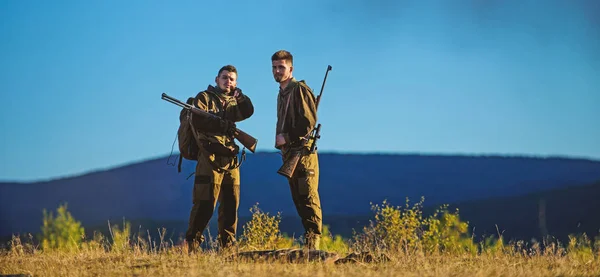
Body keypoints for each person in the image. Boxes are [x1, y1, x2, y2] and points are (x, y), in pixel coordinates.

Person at [185, 64, 254, 253]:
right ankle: (192, 244)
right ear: (217, 79)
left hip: (230, 159)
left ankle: (227, 247)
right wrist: (222, 125)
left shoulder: (234, 102)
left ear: (236, 83)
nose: (227, 81)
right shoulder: (204, 98)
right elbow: (198, 119)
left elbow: (248, 111)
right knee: (205, 203)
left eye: (231, 79)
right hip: (210, 157)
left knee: (231, 204)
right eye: (224, 77)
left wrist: (241, 96)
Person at [271, 50, 323, 250]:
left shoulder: (299, 89)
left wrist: (287, 137)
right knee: (299, 200)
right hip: (291, 154)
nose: (277, 71)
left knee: (308, 198)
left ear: (290, 69)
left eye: (281, 67)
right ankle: (309, 244)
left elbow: (309, 122)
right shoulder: (282, 93)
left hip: (303, 154)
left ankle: (314, 246)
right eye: (274, 67)